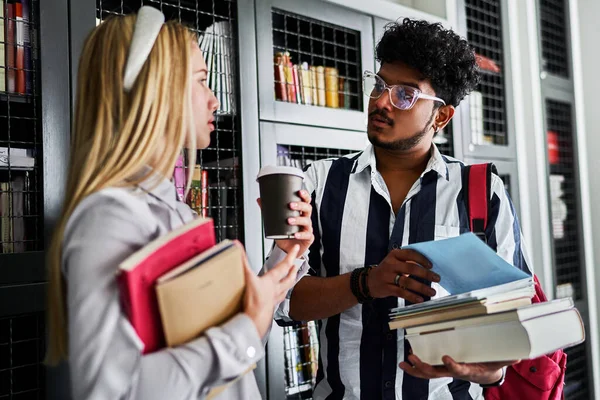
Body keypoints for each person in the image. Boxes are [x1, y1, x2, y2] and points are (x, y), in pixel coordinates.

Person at [45, 7, 313, 400]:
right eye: (203, 81)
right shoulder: (109, 218)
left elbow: (233, 351)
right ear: (157, 88)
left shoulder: (179, 211)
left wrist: (282, 259)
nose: (214, 101)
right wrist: (243, 331)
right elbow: (107, 392)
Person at [264, 18, 531, 400]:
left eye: (405, 94)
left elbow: (512, 317)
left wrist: (489, 373)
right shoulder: (319, 183)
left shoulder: (481, 191)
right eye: (380, 85)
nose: (381, 101)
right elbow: (281, 300)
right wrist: (366, 283)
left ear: (440, 116)